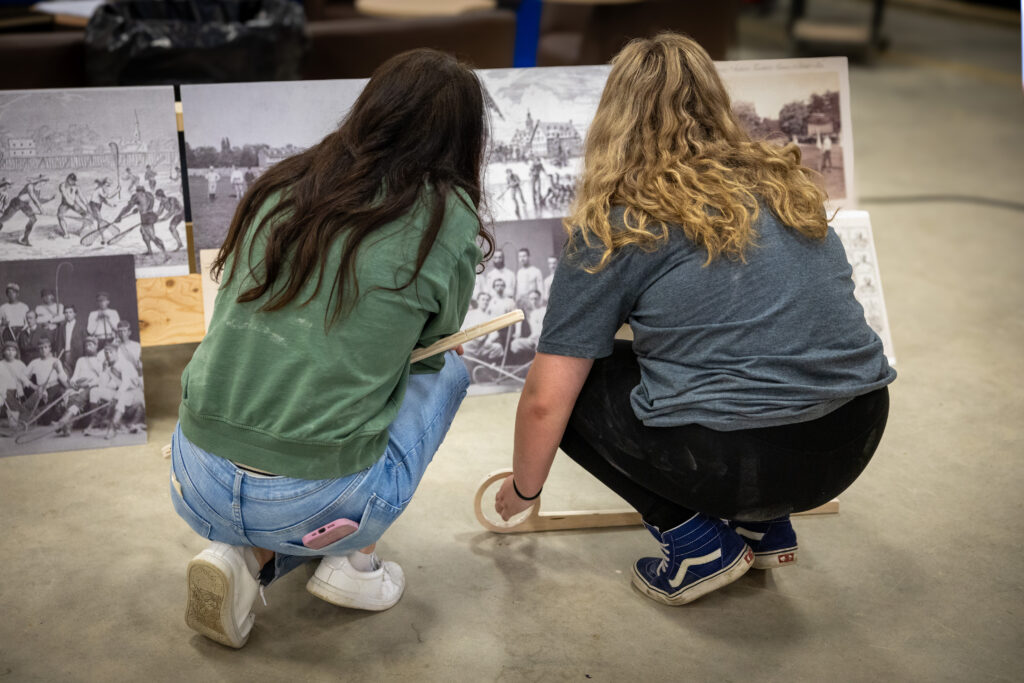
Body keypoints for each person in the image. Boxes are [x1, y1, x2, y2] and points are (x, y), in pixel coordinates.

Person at [494, 34, 896, 607]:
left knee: (571, 391)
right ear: (716, 103)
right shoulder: (785, 184)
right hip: (857, 432)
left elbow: (543, 400)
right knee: (731, 362)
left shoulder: (621, 222)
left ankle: (697, 544)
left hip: (749, 457)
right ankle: (764, 526)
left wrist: (523, 490)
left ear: (614, 117)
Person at [168, 49, 491, 649]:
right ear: (463, 137)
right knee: (444, 373)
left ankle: (243, 557)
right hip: (319, 499)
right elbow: (435, 337)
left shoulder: (285, 179)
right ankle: (352, 561)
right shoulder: (447, 214)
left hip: (194, 469)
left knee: (291, 386)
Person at [115, 185, 168, 261]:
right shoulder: (149, 194)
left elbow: (128, 207)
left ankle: (166, 255)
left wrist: (119, 216)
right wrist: (138, 208)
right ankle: (150, 251)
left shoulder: (136, 196)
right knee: (143, 232)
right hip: (152, 215)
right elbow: (144, 204)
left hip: (145, 217)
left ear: (137, 191)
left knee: (152, 237)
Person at [26, 337, 68, 425]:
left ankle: (55, 417)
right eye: (41, 348)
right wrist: (33, 386)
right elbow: (24, 377)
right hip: (41, 390)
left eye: (45, 347)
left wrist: (58, 370)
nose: (43, 350)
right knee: (31, 410)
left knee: (54, 411)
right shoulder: (34, 363)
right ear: (38, 350)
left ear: (50, 348)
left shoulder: (55, 361)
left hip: (54, 389)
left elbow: (64, 379)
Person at [0, 175, 48, 246]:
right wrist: (41, 209)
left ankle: (25, 239)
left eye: (46, 182)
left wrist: (50, 199)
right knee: (3, 219)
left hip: (25, 205)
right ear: (39, 181)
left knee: (33, 219)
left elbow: (38, 200)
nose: (45, 184)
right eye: (44, 181)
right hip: (17, 202)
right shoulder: (30, 186)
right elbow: (34, 198)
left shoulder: (38, 190)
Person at [0, 340, 34, 429]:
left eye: (13, 350)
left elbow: (26, 381)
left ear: (16, 352)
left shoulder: (20, 364)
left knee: (16, 422)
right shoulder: (1, 365)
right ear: (3, 352)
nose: (10, 352)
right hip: (3, 394)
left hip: (16, 394)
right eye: (8, 350)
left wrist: (34, 387)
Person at [56, 173, 91, 238]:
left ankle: (80, 231)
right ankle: (66, 233)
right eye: (72, 180)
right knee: (59, 216)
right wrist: (72, 204)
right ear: (68, 179)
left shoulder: (76, 187)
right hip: (65, 204)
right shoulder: (62, 185)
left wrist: (87, 207)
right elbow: (66, 196)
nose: (74, 182)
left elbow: (82, 197)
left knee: (87, 216)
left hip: (73, 203)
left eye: (74, 181)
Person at [56, 305, 86, 374]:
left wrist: (84, 356)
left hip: (78, 354)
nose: (68, 314)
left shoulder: (81, 326)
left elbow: (84, 342)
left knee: (78, 373)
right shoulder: (61, 327)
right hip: (66, 354)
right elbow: (59, 343)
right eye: (66, 312)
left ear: (75, 314)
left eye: (70, 312)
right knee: (67, 373)